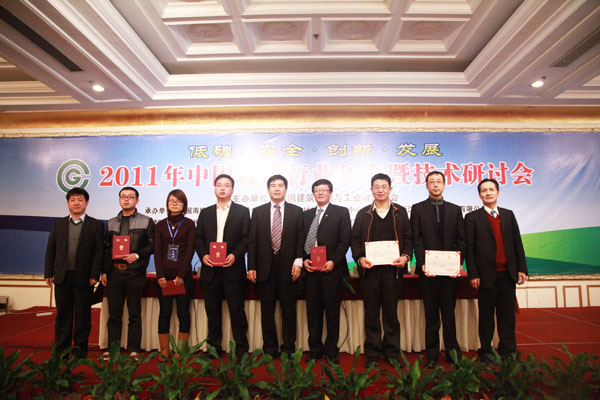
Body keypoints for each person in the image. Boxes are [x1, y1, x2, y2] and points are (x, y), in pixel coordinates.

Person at [351, 173, 412, 366]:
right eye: (376, 187)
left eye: (384, 186)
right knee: (371, 314)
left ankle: (392, 353)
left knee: (391, 314)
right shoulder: (363, 213)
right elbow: (354, 240)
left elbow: (409, 238)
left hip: (393, 272)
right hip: (370, 272)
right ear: (371, 190)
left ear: (390, 189)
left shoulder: (400, 212)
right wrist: (360, 258)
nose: (380, 190)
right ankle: (372, 353)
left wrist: (405, 256)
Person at [465, 178, 528, 359]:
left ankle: (508, 351)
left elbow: (517, 243)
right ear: (479, 195)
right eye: (484, 190)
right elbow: (469, 249)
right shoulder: (472, 218)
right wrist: (473, 274)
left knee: (507, 315)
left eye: (491, 190)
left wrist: (522, 269)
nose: (488, 193)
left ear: (498, 192)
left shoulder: (508, 215)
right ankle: (486, 351)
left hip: (508, 274)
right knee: (486, 316)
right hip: (486, 276)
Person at [410, 171, 466, 366]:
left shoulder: (455, 210)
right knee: (431, 316)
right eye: (431, 182)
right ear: (426, 185)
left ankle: (452, 354)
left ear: (444, 184)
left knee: (449, 314)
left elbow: (461, 239)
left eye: (438, 181)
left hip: (449, 272)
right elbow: (416, 238)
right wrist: (422, 262)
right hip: (428, 271)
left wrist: (457, 262)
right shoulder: (417, 209)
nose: (435, 185)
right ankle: (432, 356)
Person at [247, 174, 304, 358]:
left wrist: (298, 261)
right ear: (268, 189)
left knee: (289, 311)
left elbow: (300, 239)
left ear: (286, 189)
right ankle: (269, 349)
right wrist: (251, 266)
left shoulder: (297, 211)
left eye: (280, 185)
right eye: (273, 185)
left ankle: (288, 348)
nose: (277, 188)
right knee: (267, 312)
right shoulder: (258, 212)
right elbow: (252, 242)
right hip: (265, 268)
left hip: (289, 268)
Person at [44, 187, 104, 358]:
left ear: (86, 203)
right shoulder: (59, 224)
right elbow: (51, 249)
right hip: (62, 277)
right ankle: (61, 351)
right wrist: (48, 273)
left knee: (83, 315)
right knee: (63, 315)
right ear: (68, 203)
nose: (76, 203)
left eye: (80, 200)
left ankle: (80, 350)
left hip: (84, 277)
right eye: (73, 200)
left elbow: (99, 251)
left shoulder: (96, 225)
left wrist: (95, 274)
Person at [195, 174, 250, 359]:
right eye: (219, 185)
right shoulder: (205, 213)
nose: (222, 188)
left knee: (237, 310)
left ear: (232, 189)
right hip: (210, 269)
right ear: (214, 189)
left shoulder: (242, 212)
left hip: (232, 269)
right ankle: (214, 348)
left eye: (226, 185)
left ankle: (241, 348)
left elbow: (246, 239)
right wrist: (203, 255)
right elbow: (199, 239)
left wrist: (234, 255)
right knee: (212, 311)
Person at [101, 186, 155, 360]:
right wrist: (104, 271)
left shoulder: (146, 221)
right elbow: (106, 248)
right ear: (119, 200)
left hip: (135, 273)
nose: (126, 199)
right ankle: (112, 348)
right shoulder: (111, 222)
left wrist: (137, 255)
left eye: (130, 197)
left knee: (134, 314)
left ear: (137, 200)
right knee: (114, 314)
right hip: (114, 273)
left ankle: (134, 348)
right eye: (123, 196)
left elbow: (152, 245)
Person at [302, 179, 351, 364]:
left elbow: (344, 241)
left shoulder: (341, 212)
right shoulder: (306, 215)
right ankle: (315, 350)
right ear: (313, 193)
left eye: (324, 190)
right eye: (317, 190)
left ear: (330, 193)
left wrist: (333, 261)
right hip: (311, 272)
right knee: (313, 313)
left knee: (332, 312)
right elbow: (300, 240)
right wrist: (304, 259)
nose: (320, 193)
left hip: (332, 271)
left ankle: (331, 350)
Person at [154, 189, 196, 358]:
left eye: (178, 202)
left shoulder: (189, 224)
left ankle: (180, 349)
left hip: (182, 278)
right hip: (164, 277)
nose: (175, 204)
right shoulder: (160, 225)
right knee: (164, 312)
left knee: (183, 313)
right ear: (167, 204)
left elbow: (190, 250)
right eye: (172, 201)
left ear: (184, 205)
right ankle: (164, 349)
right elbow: (157, 252)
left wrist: (181, 274)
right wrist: (160, 275)